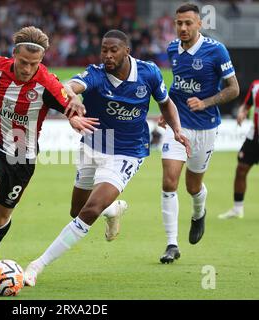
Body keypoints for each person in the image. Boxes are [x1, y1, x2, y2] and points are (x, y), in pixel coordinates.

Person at [23, 29, 190, 287]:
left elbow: (166, 102)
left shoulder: (149, 73)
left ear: (127, 51)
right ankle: (112, 209)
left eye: (114, 50)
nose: (108, 55)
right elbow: (67, 85)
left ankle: (37, 265)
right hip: (94, 143)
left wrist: (177, 128)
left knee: (88, 212)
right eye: (104, 50)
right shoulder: (96, 74)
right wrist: (74, 96)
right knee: (76, 210)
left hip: (128, 151)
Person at [0, 26, 98, 283]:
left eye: (34, 64)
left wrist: (75, 119)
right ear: (14, 55)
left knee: (1, 217)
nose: (27, 68)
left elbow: (68, 104)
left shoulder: (46, 83)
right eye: (23, 62)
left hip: (23, 156)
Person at [158, 3, 240, 264]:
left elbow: (234, 89)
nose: (182, 28)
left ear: (199, 24)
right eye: (179, 23)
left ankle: (199, 212)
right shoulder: (172, 49)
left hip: (205, 127)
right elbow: (178, 86)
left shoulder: (216, 51)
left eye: (188, 23)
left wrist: (205, 102)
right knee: (169, 181)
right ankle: (172, 244)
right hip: (178, 126)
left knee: (193, 186)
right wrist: (167, 109)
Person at [218, 79, 259, 219]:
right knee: (241, 169)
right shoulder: (255, 86)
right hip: (254, 136)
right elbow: (247, 106)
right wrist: (242, 112)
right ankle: (237, 209)